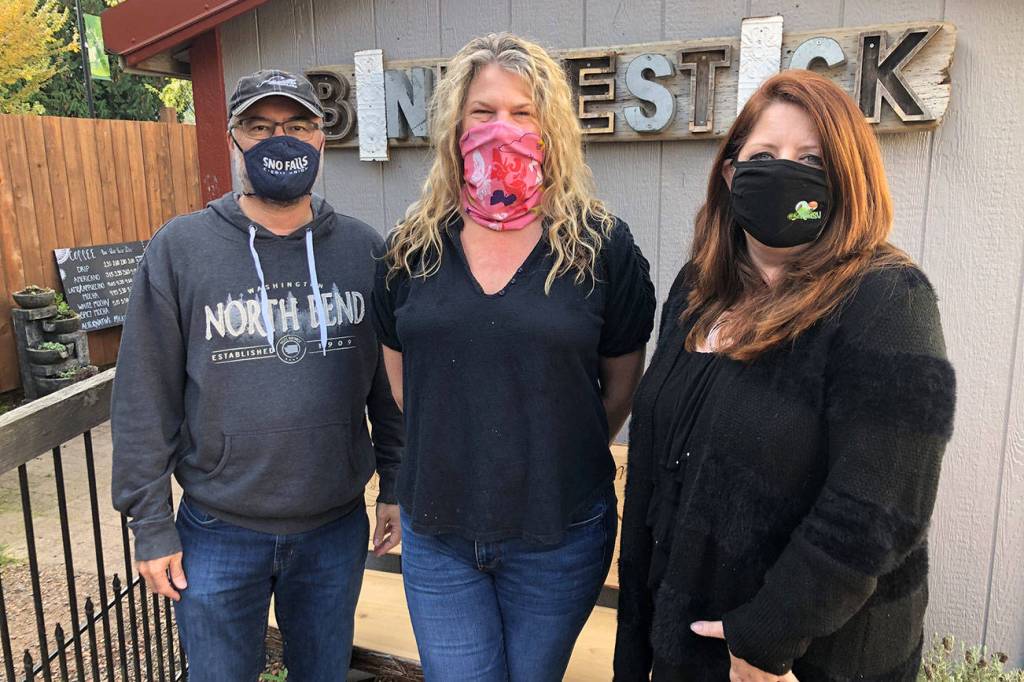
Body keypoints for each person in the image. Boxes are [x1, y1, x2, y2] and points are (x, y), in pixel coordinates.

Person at [614, 69, 957, 681]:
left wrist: (767, 637)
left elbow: (879, 510)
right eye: (765, 154)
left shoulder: (887, 301)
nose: (785, 171)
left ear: (846, 178)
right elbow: (657, 466)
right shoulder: (697, 290)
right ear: (731, 173)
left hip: (796, 661)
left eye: (810, 159)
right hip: (681, 639)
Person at [372, 33, 655, 682]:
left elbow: (619, 385)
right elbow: (404, 389)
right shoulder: (407, 251)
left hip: (557, 536)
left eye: (522, 112)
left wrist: (544, 447)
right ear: (454, 125)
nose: (503, 127)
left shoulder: (601, 246)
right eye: (483, 110)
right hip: (439, 532)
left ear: (551, 127)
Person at [111, 69, 404, 681]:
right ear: (234, 137)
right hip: (218, 530)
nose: (281, 140)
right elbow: (144, 395)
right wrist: (149, 523)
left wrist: (396, 486)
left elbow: (388, 386)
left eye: (297, 125)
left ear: (322, 138)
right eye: (261, 126)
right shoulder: (182, 249)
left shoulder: (362, 249)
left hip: (333, 526)